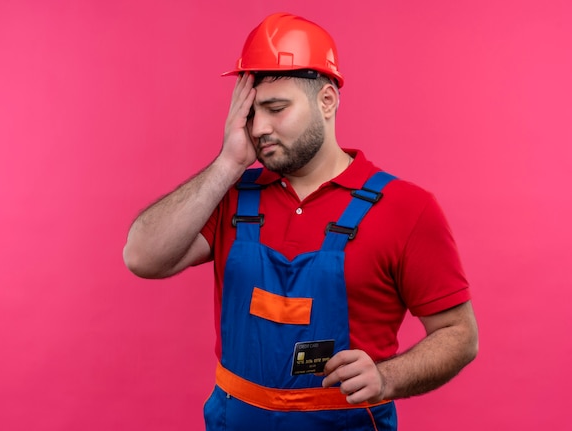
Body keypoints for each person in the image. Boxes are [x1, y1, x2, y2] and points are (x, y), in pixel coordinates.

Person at [123, 12, 478, 431]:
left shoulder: (407, 208)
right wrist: (227, 163)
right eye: (252, 113)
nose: (260, 128)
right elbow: (142, 257)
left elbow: (459, 334)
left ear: (326, 101)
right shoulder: (231, 196)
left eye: (276, 108)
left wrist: (387, 378)